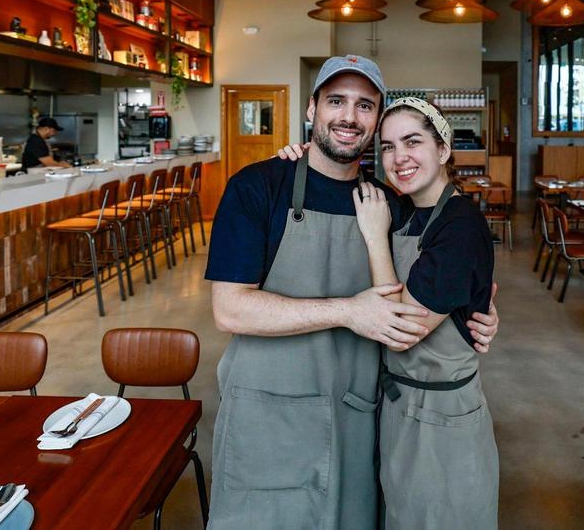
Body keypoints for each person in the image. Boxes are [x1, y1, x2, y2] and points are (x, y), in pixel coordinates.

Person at [205, 55, 499, 530]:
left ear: (376, 120)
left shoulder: (392, 204)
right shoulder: (258, 187)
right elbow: (230, 310)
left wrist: (477, 309)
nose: (349, 116)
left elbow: (440, 278)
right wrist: (348, 311)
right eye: (336, 101)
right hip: (267, 413)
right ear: (312, 109)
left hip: (356, 415)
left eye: (365, 105)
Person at [354, 97, 499, 528]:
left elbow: (401, 329)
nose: (399, 157)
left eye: (412, 141)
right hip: (398, 404)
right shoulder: (404, 210)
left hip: (442, 418)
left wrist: (375, 238)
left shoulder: (461, 225)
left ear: (443, 149)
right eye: (388, 146)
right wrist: (296, 154)